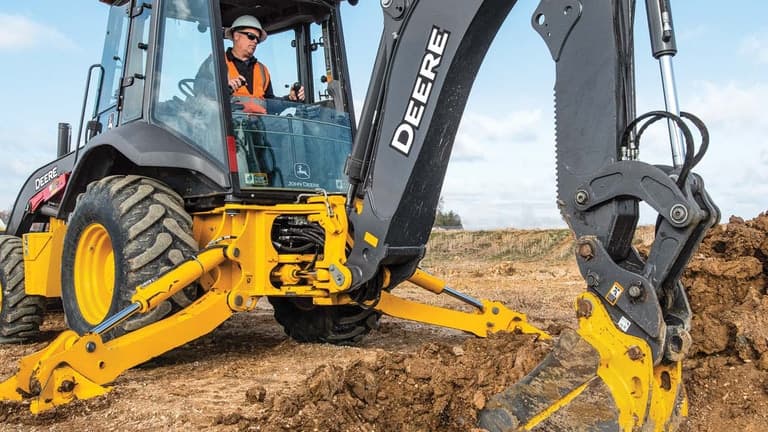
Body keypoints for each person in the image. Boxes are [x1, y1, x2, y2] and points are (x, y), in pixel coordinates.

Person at [195, 15, 305, 114]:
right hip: (228, 127)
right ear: (236, 36)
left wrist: (289, 99)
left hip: (257, 130)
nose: (255, 41)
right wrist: (222, 87)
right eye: (251, 36)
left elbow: (269, 104)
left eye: (257, 39)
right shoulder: (216, 61)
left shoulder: (262, 70)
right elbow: (199, 86)